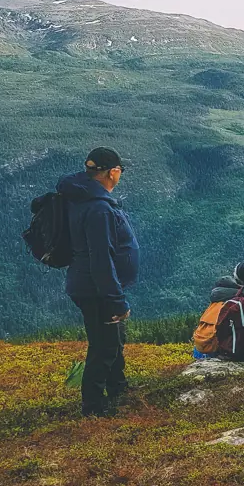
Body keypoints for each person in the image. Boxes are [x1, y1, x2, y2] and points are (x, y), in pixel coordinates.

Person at [58, 147, 139, 418]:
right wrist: (116, 300)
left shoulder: (83, 197)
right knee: (104, 346)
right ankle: (93, 407)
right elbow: (101, 259)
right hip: (96, 289)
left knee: (112, 340)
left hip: (89, 284)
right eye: (120, 171)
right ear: (113, 172)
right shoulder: (98, 208)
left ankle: (118, 389)